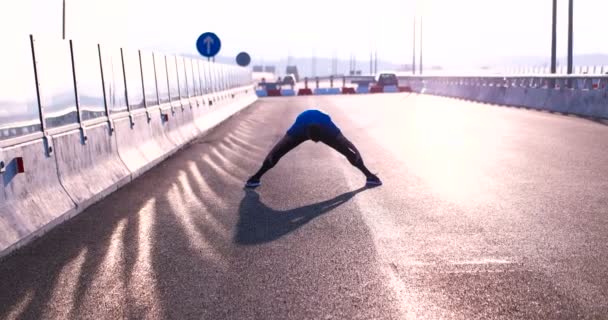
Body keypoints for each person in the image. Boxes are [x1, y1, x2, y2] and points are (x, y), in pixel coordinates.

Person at [245, 109, 382, 188]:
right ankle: (255, 177)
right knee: (277, 154)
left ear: (322, 134)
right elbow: (277, 149)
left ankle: (369, 176)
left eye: (317, 140)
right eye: (312, 139)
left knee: (347, 152)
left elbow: (347, 143)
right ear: (307, 134)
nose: (314, 142)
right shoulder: (296, 129)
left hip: (323, 126)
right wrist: (271, 156)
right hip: (302, 128)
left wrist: (357, 153)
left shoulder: (329, 128)